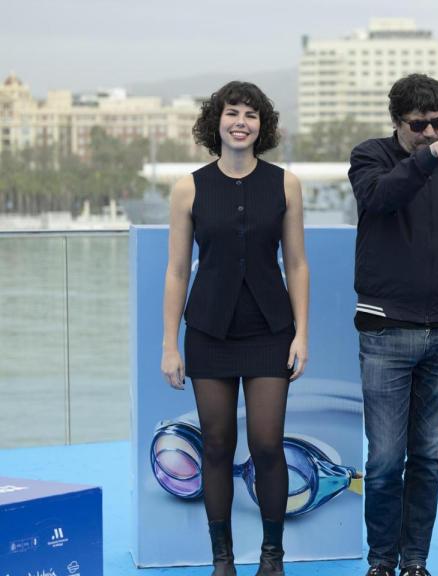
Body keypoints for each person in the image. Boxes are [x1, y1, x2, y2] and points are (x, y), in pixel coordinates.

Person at [161, 80, 309, 576]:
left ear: (261, 125)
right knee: (218, 446)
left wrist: (301, 334)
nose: (241, 121)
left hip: (270, 331)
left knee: (268, 445)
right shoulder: (189, 186)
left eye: (251, 114)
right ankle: (221, 560)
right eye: (232, 113)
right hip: (207, 333)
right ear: (216, 122)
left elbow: (298, 263)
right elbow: (178, 271)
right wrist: (169, 345)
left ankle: (272, 557)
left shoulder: (285, 183)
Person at [348, 73, 438, 576]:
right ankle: (381, 562)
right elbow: (379, 199)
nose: (431, 134)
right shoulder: (369, 157)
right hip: (386, 333)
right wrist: (426, 160)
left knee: (428, 458)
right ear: (397, 122)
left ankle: (415, 562)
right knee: (385, 461)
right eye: (419, 125)